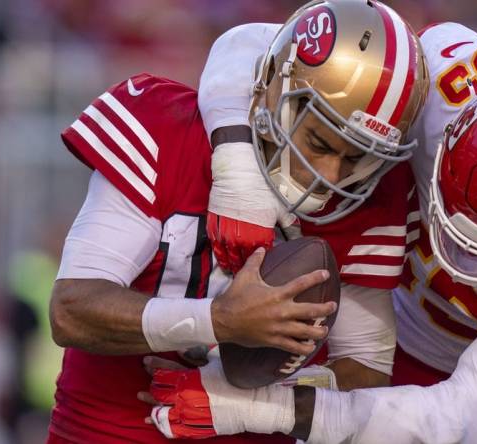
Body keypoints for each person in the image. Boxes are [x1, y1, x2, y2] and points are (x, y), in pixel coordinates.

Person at [144, 23, 477, 444]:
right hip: (371, 310)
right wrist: (239, 177)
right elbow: (257, 46)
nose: (455, 244)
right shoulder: (443, 75)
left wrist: (265, 409)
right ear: (455, 132)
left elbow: (459, 417)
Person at [47, 1, 428, 442]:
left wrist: (251, 404)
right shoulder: (168, 127)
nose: (333, 175)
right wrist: (220, 320)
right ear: (272, 91)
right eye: (320, 141)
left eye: (358, 156)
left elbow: (365, 372)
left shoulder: (370, 198)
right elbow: (71, 311)